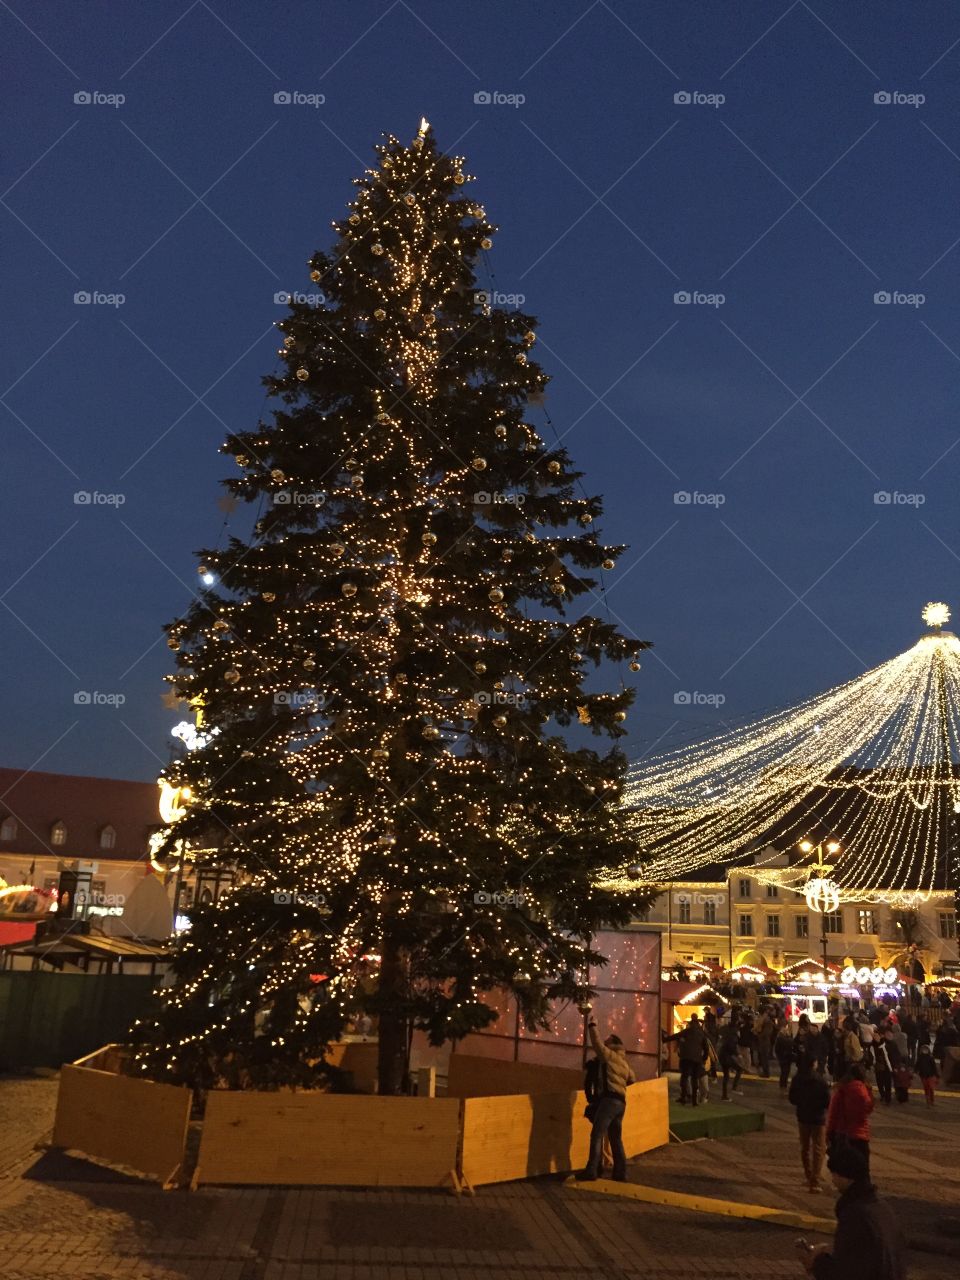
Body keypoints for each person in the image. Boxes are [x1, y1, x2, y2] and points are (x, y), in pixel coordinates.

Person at [796, 1144, 906, 1279]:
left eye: (833, 1174)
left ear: (846, 1177)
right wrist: (828, 1249)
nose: (832, 1181)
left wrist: (815, 1262)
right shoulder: (881, 1206)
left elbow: (843, 1273)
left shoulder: (855, 1215)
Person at [579, 1015, 635, 1181]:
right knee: (615, 1138)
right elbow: (632, 1078)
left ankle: (592, 1170)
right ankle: (620, 1172)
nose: (604, 1043)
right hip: (621, 1102)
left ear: (611, 1045)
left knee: (596, 1134)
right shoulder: (624, 1063)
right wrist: (620, 1086)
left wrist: (592, 1024)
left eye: (607, 1041)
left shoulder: (609, 1056)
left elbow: (596, 1043)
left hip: (609, 1101)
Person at [789, 1058, 831, 1193]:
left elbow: (792, 1098)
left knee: (805, 1147)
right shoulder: (820, 1080)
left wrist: (802, 1104)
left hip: (802, 1116)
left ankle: (808, 1175)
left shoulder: (797, 1079)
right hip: (818, 1118)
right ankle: (815, 1181)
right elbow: (827, 1100)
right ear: (813, 1064)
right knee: (818, 1149)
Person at [826, 1064, 873, 1172]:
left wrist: (829, 1133)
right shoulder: (865, 1090)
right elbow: (868, 1109)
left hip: (843, 1133)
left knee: (844, 1167)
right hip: (861, 1135)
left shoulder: (842, 1090)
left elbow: (833, 1113)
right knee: (863, 1167)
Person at [676, 1014, 709, 1107]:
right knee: (692, 1081)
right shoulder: (699, 1034)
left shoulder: (695, 1035)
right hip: (697, 1062)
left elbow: (706, 1048)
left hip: (694, 1062)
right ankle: (691, 1099)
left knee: (688, 1079)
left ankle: (688, 1098)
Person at [718, 1014, 743, 1101]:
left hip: (723, 1055)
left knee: (727, 1075)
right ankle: (731, 1090)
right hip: (726, 1057)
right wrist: (737, 1055)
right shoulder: (733, 1035)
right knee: (738, 1070)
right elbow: (731, 1046)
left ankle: (725, 1095)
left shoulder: (728, 1030)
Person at [873, 1029, 893, 1106]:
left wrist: (891, 1068)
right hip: (878, 1068)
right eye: (875, 1036)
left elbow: (888, 1057)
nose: (876, 1037)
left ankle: (888, 1099)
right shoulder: (872, 1046)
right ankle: (883, 1095)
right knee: (880, 1083)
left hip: (886, 1068)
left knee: (887, 1084)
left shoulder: (885, 1045)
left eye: (877, 1036)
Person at [774, 1020, 795, 1089]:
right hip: (784, 1057)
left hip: (785, 1057)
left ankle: (783, 1085)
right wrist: (790, 1034)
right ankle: (783, 1086)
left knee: (785, 1072)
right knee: (785, 1072)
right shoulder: (781, 1037)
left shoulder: (782, 1036)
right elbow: (790, 1042)